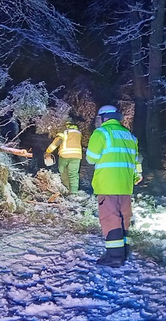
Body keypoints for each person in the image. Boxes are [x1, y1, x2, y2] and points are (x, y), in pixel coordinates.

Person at [85, 105, 142, 267]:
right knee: (124, 218)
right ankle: (124, 251)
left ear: (104, 118)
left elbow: (91, 159)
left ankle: (114, 256)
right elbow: (137, 161)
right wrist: (137, 175)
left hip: (107, 184)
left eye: (98, 118)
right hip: (125, 185)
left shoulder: (101, 133)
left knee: (111, 219)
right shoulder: (130, 136)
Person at [45, 120, 83, 194]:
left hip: (65, 155)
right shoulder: (78, 133)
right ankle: (74, 192)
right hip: (77, 156)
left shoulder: (65, 132)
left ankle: (67, 189)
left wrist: (48, 151)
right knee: (74, 174)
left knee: (63, 172)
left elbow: (57, 142)